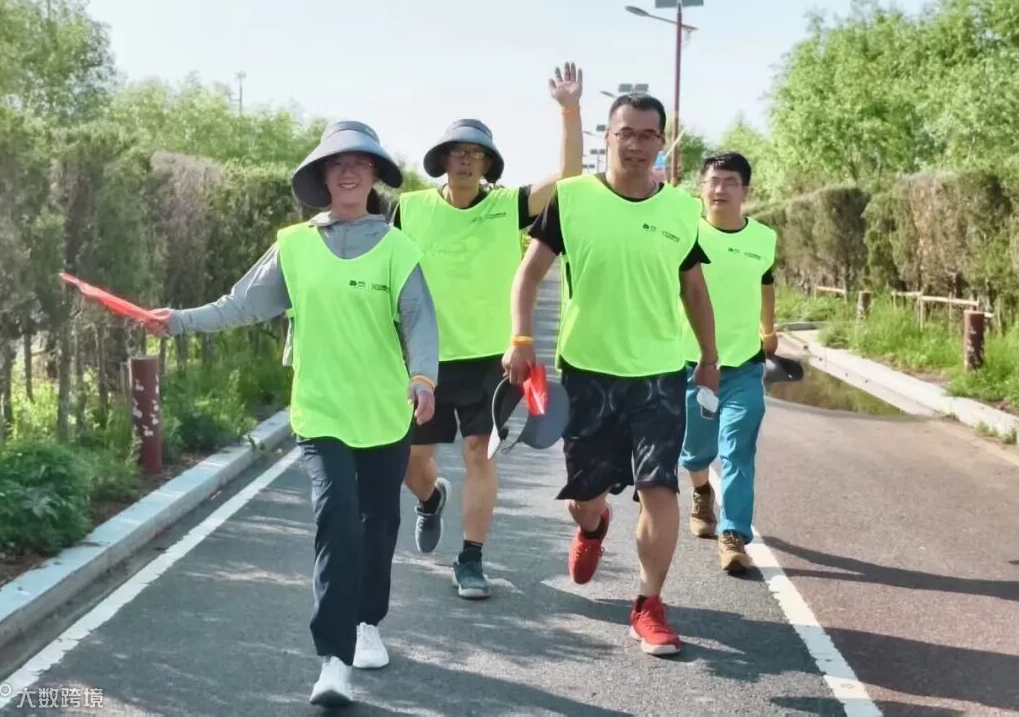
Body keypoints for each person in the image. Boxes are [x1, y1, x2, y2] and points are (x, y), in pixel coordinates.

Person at [144, 121, 438, 708]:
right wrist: (177, 321)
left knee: (377, 524)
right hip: (320, 412)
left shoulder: (398, 248)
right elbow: (239, 305)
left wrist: (423, 378)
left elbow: (421, 321)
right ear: (323, 176)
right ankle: (334, 660)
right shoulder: (294, 246)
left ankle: (367, 621)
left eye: (359, 163)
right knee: (336, 519)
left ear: (375, 175)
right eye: (337, 164)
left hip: (385, 412)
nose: (348, 172)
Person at [504, 92, 720, 656]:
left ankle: (649, 604)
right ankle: (592, 526)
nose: (636, 144)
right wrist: (521, 338)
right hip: (589, 372)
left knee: (659, 487)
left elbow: (694, 290)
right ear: (609, 136)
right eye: (626, 133)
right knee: (587, 496)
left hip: (659, 374)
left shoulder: (680, 210)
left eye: (648, 135)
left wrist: (709, 359)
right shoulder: (573, 199)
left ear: (661, 142)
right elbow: (528, 275)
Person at [392, 63, 584, 599]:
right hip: (425, 359)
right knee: (413, 462)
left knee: (481, 451)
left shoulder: (506, 206)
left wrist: (569, 110)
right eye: (456, 153)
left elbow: (569, 177)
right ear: (442, 161)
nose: (464, 160)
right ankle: (431, 499)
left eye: (474, 154)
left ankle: (471, 559)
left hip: (491, 360)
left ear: (487, 165)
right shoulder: (409, 209)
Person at [679, 151, 777, 573]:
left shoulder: (764, 239)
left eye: (730, 182)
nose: (720, 189)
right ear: (701, 189)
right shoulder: (686, 232)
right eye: (713, 181)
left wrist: (768, 328)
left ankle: (733, 534)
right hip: (691, 364)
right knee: (695, 451)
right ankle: (702, 491)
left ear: (745, 191)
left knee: (738, 449)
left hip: (744, 365)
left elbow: (766, 283)